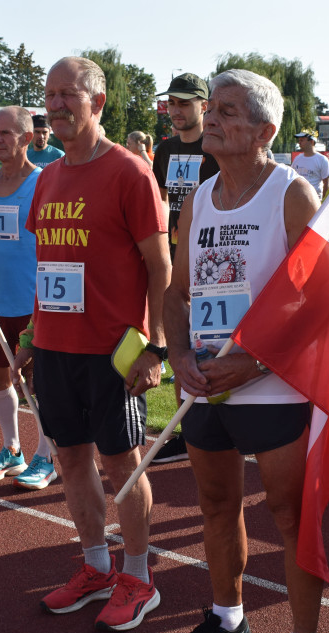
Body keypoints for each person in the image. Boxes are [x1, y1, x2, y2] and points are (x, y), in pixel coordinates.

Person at [160, 68, 326, 633]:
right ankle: (228, 623)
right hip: (204, 385)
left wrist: (251, 362)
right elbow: (176, 293)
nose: (212, 118)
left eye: (229, 111)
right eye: (214, 108)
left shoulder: (291, 194)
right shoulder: (200, 197)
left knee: (290, 516)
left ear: (265, 130)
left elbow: (317, 303)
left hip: (272, 386)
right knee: (215, 504)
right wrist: (179, 357)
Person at [12, 56, 170, 632]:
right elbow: (47, 265)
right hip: (55, 348)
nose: (55, 106)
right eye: (49, 95)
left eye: (67, 95)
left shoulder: (130, 173)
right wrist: (32, 334)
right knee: (70, 458)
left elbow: (161, 267)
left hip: (112, 352)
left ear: (97, 103)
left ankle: (138, 577)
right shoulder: (48, 177)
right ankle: (96, 566)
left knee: (122, 464)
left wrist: (153, 345)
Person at [0, 106, 57, 490]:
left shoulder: (43, 182)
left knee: (38, 383)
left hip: (33, 301)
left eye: (7, 133)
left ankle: (46, 454)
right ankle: (12, 449)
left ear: (26, 137)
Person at [152, 72, 220, 464]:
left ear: (203, 105)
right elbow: (161, 197)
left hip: (212, 259)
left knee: (209, 344)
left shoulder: (215, 148)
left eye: (184, 103)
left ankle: (210, 427)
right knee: (180, 343)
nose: (176, 110)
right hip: (177, 259)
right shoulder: (165, 150)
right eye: (171, 103)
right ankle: (187, 428)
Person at [291, 129, 329, 199]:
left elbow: (327, 184)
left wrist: (323, 202)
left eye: (302, 140)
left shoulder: (322, 160)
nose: (299, 143)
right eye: (299, 140)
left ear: (312, 142)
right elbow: (291, 178)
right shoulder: (297, 159)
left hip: (314, 200)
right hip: (298, 199)